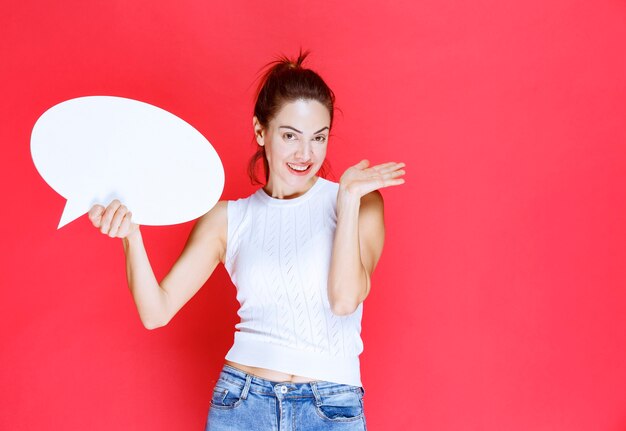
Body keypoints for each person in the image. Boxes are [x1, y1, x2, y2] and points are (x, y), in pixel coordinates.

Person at [88, 51, 405, 431]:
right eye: (290, 136)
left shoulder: (361, 202)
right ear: (260, 131)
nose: (305, 154)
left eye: (318, 138)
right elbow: (156, 312)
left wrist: (349, 199)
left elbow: (343, 299)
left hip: (331, 406)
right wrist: (130, 236)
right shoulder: (226, 219)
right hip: (242, 404)